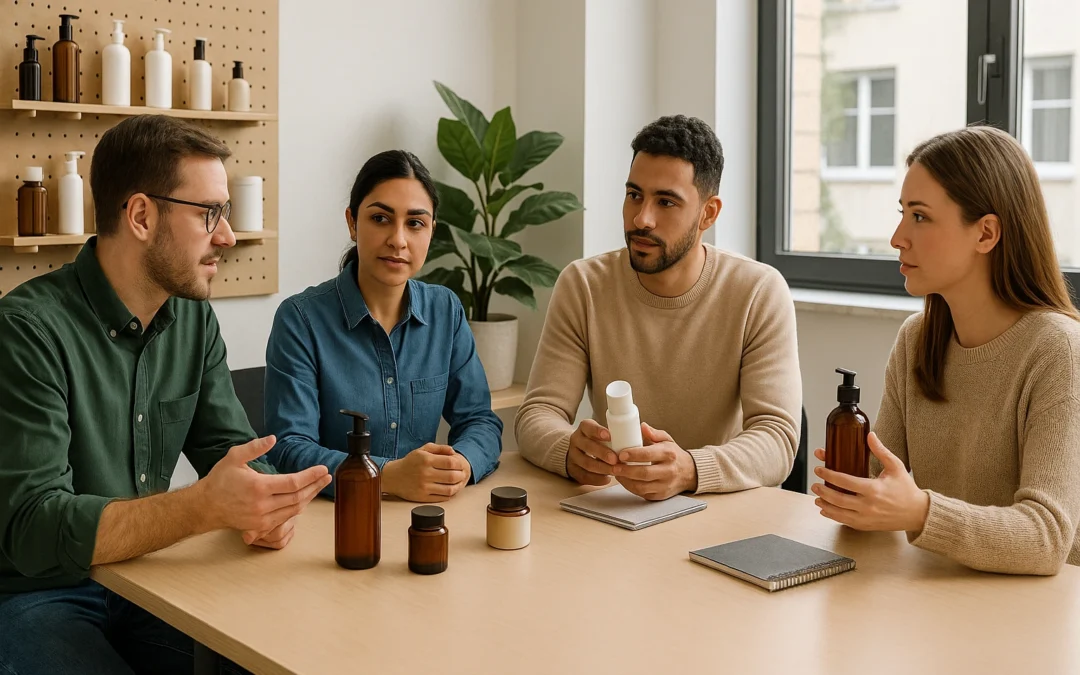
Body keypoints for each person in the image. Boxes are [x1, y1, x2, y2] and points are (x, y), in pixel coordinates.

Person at [0, 115, 331, 674]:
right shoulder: (26, 331)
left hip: (147, 578)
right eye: (210, 214)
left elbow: (234, 452)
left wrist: (265, 504)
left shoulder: (193, 322)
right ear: (141, 215)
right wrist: (202, 507)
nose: (226, 235)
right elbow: (35, 527)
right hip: (36, 594)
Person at [812, 125, 1080, 575]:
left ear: (986, 234)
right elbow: (883, 488)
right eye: (902, 214)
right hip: (939, 599)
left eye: (919, 216)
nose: (898, 237)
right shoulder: (916, 339)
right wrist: (857, 497)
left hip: (1039, 621)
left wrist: (919, 512)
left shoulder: (1058, 351)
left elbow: (1046, 537)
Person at [515, 115, 801, 500]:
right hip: (618, 511)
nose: (641, 219)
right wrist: (571, 451)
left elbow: (778, 440)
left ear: (708, 213)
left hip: (719, 514)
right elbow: (537, 414)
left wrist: (689, 469)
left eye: (665, 202)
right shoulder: (583, 285)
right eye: (634, 195)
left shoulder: (758, 291)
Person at [264, 150, 502, 503]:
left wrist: (462, 464)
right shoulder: (300, 320)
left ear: (431, 230)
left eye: (415, 223)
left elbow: (479, 421)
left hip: (424, 514)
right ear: (352, 222)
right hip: (332, 520)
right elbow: (288, 450)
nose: (398, 240)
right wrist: (386, 476)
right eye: (380, 218)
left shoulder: (445, 311)